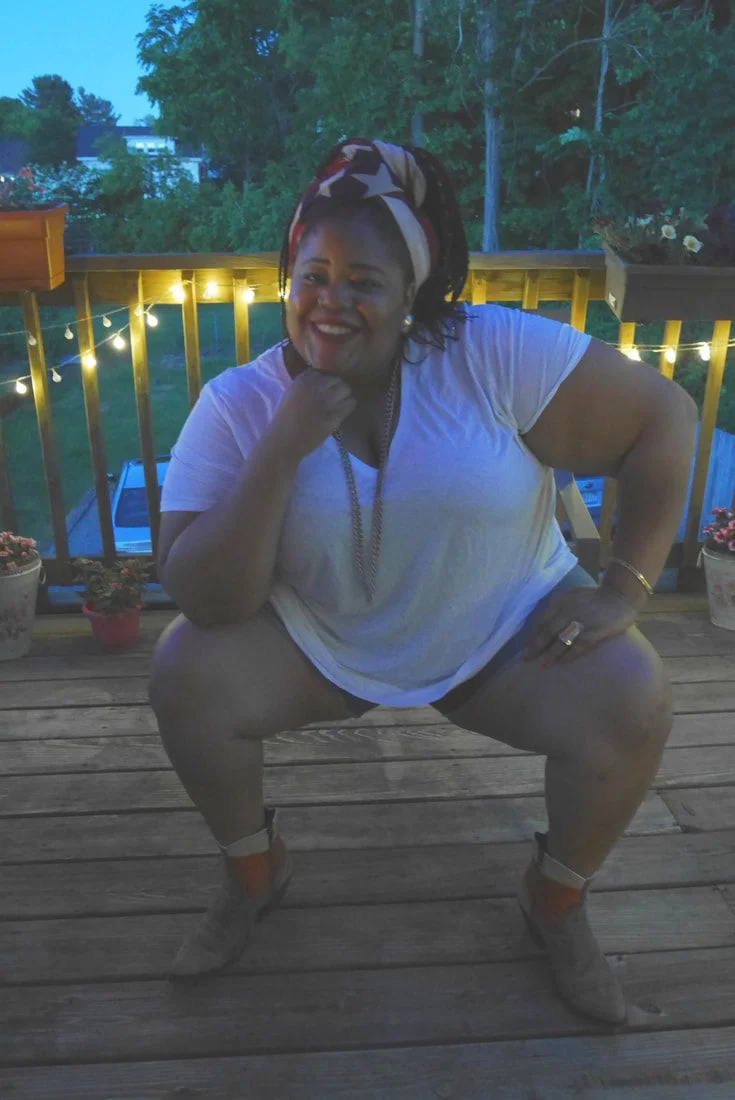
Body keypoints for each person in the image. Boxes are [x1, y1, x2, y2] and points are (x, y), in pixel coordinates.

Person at [149, 137, 697, 1026]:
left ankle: (555, 902)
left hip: (499, 633)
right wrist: (281, 446)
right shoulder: (239, 403)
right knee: (184, 672)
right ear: (287, 278)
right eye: (312, 275)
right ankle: (254, 874)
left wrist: (622, 589)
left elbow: (664, 416)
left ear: (412, 290)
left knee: (634, 694)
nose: (330, 301)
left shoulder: (487, 351)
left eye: (363, 280)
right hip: (319, 642)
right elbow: (209, 600)